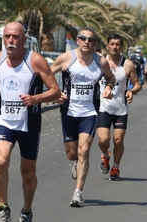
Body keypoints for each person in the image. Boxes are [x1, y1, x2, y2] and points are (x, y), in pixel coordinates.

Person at [0, 22, 60, 222]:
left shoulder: (35, 60)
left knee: (28, 171)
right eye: (7, 36)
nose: (10, 41)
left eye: (15, 37)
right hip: (4, 120)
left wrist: (36, 98)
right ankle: (2, 208)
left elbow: (55, 90)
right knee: (1, 160)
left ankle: (26, 212)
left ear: (24, 39)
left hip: (29, 123)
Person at [50, 26, 115, 207]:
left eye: (90, 39)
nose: (87, 42)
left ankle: (78, 193)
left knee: (84, 150)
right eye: (83, 38)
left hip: (90, 112)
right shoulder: (66, 59)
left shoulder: (100, 62)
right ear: (77, 40)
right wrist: (55, 93)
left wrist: (109, 87)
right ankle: (76, 162)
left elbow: (111, 78)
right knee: (72, 154)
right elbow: (46, 75)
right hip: (68, 111)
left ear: (94, 43)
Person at [97, 34, 141, 180]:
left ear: (121, 47)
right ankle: (105, 155)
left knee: (118, 140)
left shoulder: (127, 64)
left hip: (120, 109)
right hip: (103, 107)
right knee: (103, 140)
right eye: (112, 44)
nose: (115, 47)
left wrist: (131, 91)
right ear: (107, 46)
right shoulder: (100, 62)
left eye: (118, 44)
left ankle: (115, 167)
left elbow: (137, 84)